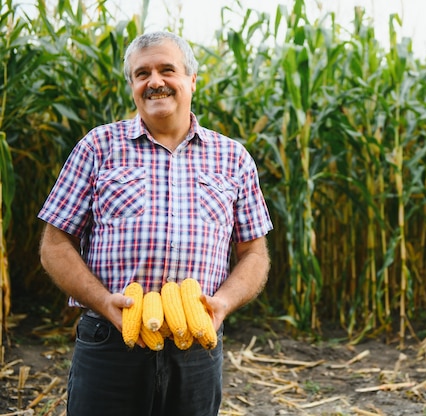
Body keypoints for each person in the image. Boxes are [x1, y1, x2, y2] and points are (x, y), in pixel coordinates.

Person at [38, 31, 273, 416]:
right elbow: (55, 244)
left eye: (167, 70)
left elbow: (254, 253)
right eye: (142, 73)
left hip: (197, 343)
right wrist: (103, 302)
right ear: (132, 84)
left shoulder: (233, 158)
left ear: (192, 80)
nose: (155, 82)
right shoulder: (98, 147)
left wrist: (223, 304)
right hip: (110, 340)